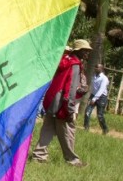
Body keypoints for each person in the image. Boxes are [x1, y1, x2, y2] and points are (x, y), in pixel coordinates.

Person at [30, 39, 92, 167]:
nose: (87, 53)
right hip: (62, 104)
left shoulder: (64, 60)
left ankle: (39, 156)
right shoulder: (75, 65)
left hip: (52, 100)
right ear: (78, 51)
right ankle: (72, 160)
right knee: (68, 131)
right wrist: (69, 109)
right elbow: (69, 89)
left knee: (48, 128)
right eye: (85, 50)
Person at [84, 63, 110, 134]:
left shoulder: (104, 78)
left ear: (101, 69)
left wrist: (94, 99)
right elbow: (93, 88)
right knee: (87, 112)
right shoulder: (94, 76)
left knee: (100, 115)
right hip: (93, 95)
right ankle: (86, 128)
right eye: (95, 67)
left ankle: (105, 129)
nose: (95, 68)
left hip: (101, 97)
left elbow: (101, 90)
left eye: (97, 67)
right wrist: (91, 96)